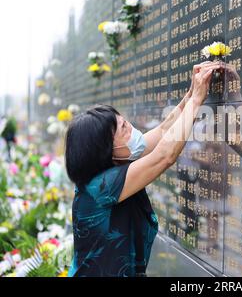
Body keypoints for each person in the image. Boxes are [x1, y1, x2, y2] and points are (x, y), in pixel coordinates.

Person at [65, 61, 223, 277]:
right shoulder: (100, 187)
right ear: (105, 149)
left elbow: (164, 130)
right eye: (123, 128)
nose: (130, 127)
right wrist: (196, 101)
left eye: (125, 122)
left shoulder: (119, 159)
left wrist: (191, 94)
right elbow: (164, 156)